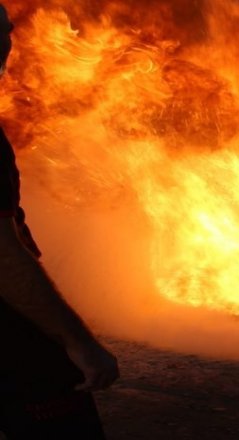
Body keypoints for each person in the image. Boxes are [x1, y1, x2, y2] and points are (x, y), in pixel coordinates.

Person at [0, 5, 119, 437]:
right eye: (1, 31)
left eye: (7, 29)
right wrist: (78, 342)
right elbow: (3, 259)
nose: (8, 42)